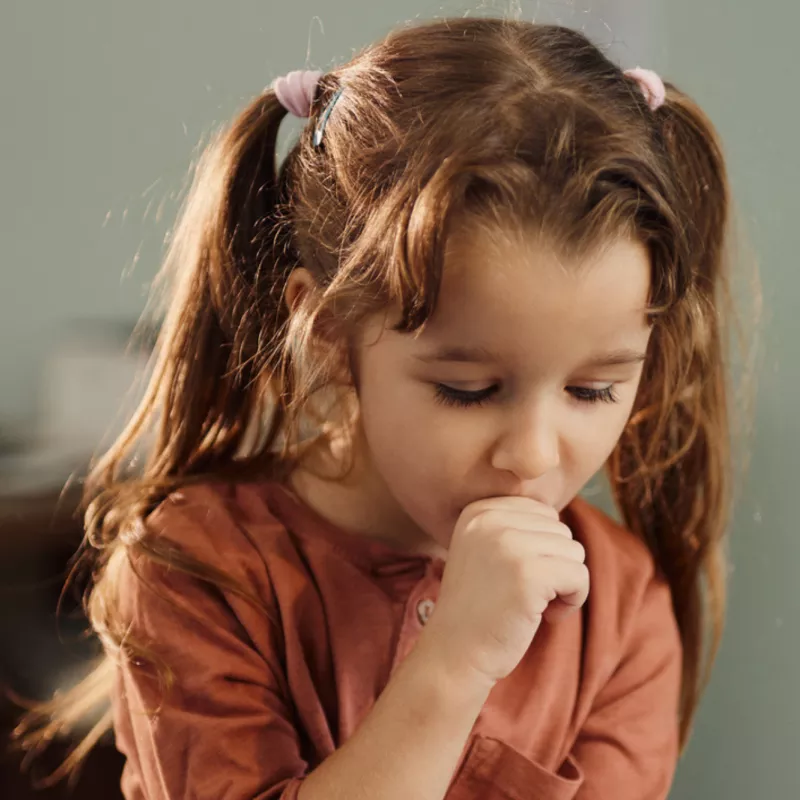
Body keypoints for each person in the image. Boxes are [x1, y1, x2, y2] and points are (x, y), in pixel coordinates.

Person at [16, 15, 738, 800]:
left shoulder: (623, 609)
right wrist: (454, 664)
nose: (533, 454)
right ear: (328, 336)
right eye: (468, 390)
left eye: (593, 390)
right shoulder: (197, 573)